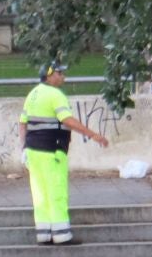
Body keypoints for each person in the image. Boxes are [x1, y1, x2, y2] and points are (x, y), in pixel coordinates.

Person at [19, 62, 110, 246]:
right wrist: (93, 134)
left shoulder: (33, 94)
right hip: (52, 151)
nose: (63, 77)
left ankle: (44, 234)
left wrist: (23, 148)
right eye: (60, 73)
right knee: (57, 192)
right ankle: (61, 235)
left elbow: (23, 122)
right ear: (50, 75)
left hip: (33, 151)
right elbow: (66, 120)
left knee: (40, 194)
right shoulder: (55, 95)